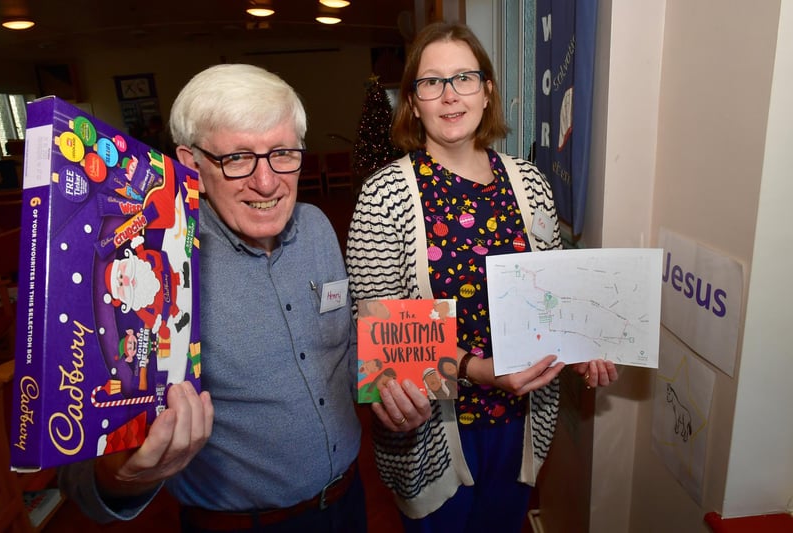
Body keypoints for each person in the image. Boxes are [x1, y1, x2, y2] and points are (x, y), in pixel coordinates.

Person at [60, 63, 430, 533]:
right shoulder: (149, 263)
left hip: (348, 503)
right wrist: (125, 476)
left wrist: (395, 392)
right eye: (236, 158)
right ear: (191, 164)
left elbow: (341, 350)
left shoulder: (317, 226)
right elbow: (79, 470)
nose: (267, 182)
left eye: (282, 153)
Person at [345, 22, 619, 532]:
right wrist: (477, 370)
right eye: (431, 82)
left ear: (487, 90)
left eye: (464, 78)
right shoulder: (385, 196)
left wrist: (583, 344)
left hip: (520, 423)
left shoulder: (529, 181)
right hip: (433, 433)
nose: (449, 96)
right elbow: (382, 344)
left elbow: (552, 295)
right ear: (413, 100)